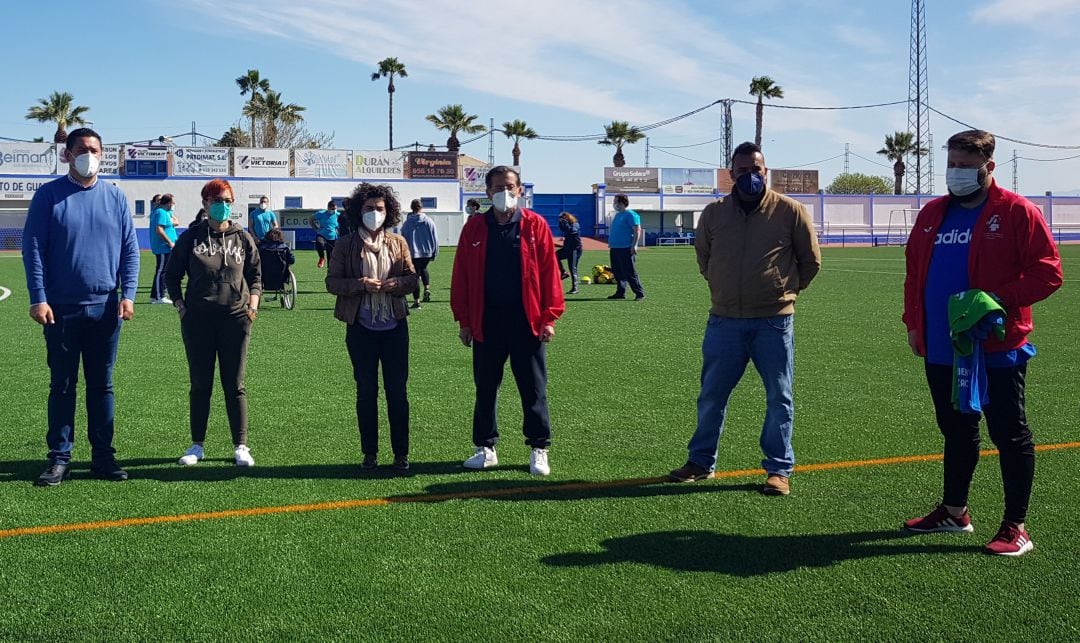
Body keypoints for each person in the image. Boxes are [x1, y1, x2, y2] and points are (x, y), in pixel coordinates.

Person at [901, 129, 1062, 556]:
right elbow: (914, 273)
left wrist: (997, 301)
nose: (956, 173)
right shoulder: (933, 213)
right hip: (942, 348)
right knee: (955, 430)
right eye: (951, 165)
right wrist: (914, 324)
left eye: (966, 167)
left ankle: (1016, 526)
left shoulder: (1016, 212)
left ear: (989, 167)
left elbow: (1049, 272)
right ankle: (955, 512)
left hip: (997, 347)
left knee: (1010, 434)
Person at [669, 141, 821, 496]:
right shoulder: (714, 213)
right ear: (731, 175)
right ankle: (701, 461)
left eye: (756, 169)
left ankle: (779, 469)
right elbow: (704, 257)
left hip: (773, 322)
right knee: (711, 395)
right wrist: (723, 287)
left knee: (778, 397)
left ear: (766, 171)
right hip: (724, 321)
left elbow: (810, 261)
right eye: (742, 170)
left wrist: (785, 293)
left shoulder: (791, 211)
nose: (750, 176)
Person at [22, 127, 140, 486]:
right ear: (67, 154)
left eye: (95, 149)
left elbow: (130, 250)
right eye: (82, 149)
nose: (89, 155)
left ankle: (103, 458)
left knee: (102, 386)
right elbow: (34, 250)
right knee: (62, 385)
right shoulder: (49, 196)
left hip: (105, 308)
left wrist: (128, 294)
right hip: (60, 309)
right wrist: (38, 298)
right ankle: (59, 457)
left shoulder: (115, 198)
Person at [451, 165, 565, 476]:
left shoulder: (535, 225)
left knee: (533, 387)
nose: (506, 191)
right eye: (499, 187)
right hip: (485, 321)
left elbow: (549, 274)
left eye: (511, 186)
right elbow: (460, 275)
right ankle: (486, 448)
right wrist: (463, 320)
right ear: (488, 193)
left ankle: (539, 448)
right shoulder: (474, 228)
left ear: (520, 190)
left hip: (526, 321)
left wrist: (549, 317)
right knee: (486, 387)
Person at [165, 178, 263, 468]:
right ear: (205, 203)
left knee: (235, 384)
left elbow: (256, 276)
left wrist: (252, 309)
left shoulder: (243, 238)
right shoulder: (190, 238)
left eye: (228, 201)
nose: (224, 206)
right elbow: (171, 276)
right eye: (218, 200)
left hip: (236, 320)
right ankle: (197, 445)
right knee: (200, 383)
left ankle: (241, 445)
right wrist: (181, 307)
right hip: (198, 322)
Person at [326, 183, 418, 471]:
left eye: (380, 208)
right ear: (357, 211)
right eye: (369, 208)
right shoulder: (345, 244)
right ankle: (370, 453)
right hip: (360, 327)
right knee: (366, 391)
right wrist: (360, 285)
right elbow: (332, 283)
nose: (375, 213)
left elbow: (412, 279)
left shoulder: (398, 243)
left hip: (394, 327)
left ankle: (401, 454)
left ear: (388, 212)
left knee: (397, 392)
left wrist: (398, 284)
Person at [400, 198, 439, 308]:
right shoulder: (429, 221)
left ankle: (417, 301)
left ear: (412, 208)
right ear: (421, 207)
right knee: (423, 269)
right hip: (427, 252)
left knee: (415, 276)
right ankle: (427, 288)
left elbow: (403, 239)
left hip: (413, 253)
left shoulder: (407, 223)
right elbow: (434, 237)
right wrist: (435, 252)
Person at [607, 194, 645, 300]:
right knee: (617, 271)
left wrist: (634, 245)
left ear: (622, 202)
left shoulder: (631, 214)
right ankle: (620, 292)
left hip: (625, 247)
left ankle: (639, 293)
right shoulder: (618, 214)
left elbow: (637, 230)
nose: (614, 204)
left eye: (616, 201)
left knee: (630, 272)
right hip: (615, 247)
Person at [150, 193, 178, 304]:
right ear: (169, 203)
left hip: (165, 247)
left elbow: (175, 221)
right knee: (161, 271)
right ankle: (159, 296)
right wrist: (169, 242)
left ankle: (155, 295)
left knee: (163, 271)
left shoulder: (164, 212)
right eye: (173, 202)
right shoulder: (160, 212)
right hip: (163, 247)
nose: (174, 204)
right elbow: (159, 230)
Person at [258, 228, 296, 299]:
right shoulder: (285, 247)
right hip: (281, 275)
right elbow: (292, 260)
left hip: (265, 275)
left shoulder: (262, 248)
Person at [556, 212, 583, 294]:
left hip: (575, 249)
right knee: (555, 256)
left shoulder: (575, 224)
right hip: (567, 248)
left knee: (572, 267)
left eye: (563, 218)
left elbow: (572, 231)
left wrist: (565, 223)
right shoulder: (566, 225)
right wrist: (562, 224)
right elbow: (565, 230)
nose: (561, 220)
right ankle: (563, 272)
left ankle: (575, 287)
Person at [311, 199, 341, 269]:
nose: (334, 210)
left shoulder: (338, 215)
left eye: (335, 209)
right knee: (319, 243)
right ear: (328, 208)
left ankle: (330, 274)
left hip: (333, 237)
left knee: (331, 256)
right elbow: (311, 219)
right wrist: (315, 228)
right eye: (332, 209)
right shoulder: (321, 213)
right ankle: (322, 258)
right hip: (322, 234)